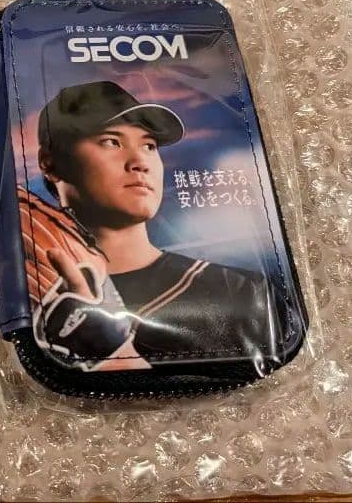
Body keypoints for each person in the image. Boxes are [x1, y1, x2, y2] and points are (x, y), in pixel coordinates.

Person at [27, 81, 279, 371]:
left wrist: (112, 353)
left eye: (149, 145)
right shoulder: (33, 299)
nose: (140, 162)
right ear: (50, 163)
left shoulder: (242, 292)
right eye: (111, 141)